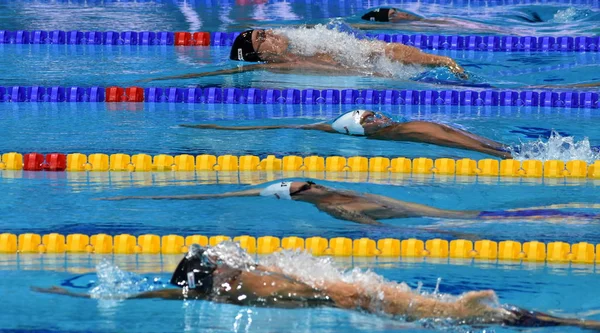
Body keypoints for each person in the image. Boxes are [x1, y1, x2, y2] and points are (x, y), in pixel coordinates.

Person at [33, 243, 600, 330]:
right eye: (218, 261)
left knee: (464, 318)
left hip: (356, 295)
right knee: (458, 316)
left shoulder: (223, 287)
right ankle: (573, 323)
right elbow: (157, 292)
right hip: (357, 293)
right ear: (215, 275)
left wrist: (85, 296)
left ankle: (571, 324)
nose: (226, 258)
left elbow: (158, 294)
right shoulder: (236, 282)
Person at [99, 180, 598, 226]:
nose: (308, 185)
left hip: (415, 211)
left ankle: (573, 212)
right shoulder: (328, 207)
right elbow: (362, 224)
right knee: (480, 219)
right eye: (301, 188)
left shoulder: (323, 193)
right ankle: (574, 215)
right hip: (431, 219)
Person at [141, 26, 467, 83]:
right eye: (261, 39)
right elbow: (225, 74)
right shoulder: (278, 69)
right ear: (260, 57)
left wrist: (439, 60)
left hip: (377, 71)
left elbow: (381, 50)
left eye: (264, 30)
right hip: (372, 80)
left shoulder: (311, 43)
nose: (269, 33)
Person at [181, 109, 512, 158]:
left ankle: (505, 150)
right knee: (438, 132)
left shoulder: (395, 126)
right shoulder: (398, 131)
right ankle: (504, 151)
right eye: (367, 118)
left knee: (444, 130)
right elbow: (441, 137)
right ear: (363, 131)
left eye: (372, 112)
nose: (376, 116)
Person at [353, 7, 543, 34]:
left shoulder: (423, 20)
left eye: (397, 12)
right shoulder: (413, 26)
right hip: (469, 29)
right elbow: (369, 25)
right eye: (392, 16)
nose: (402, 15)